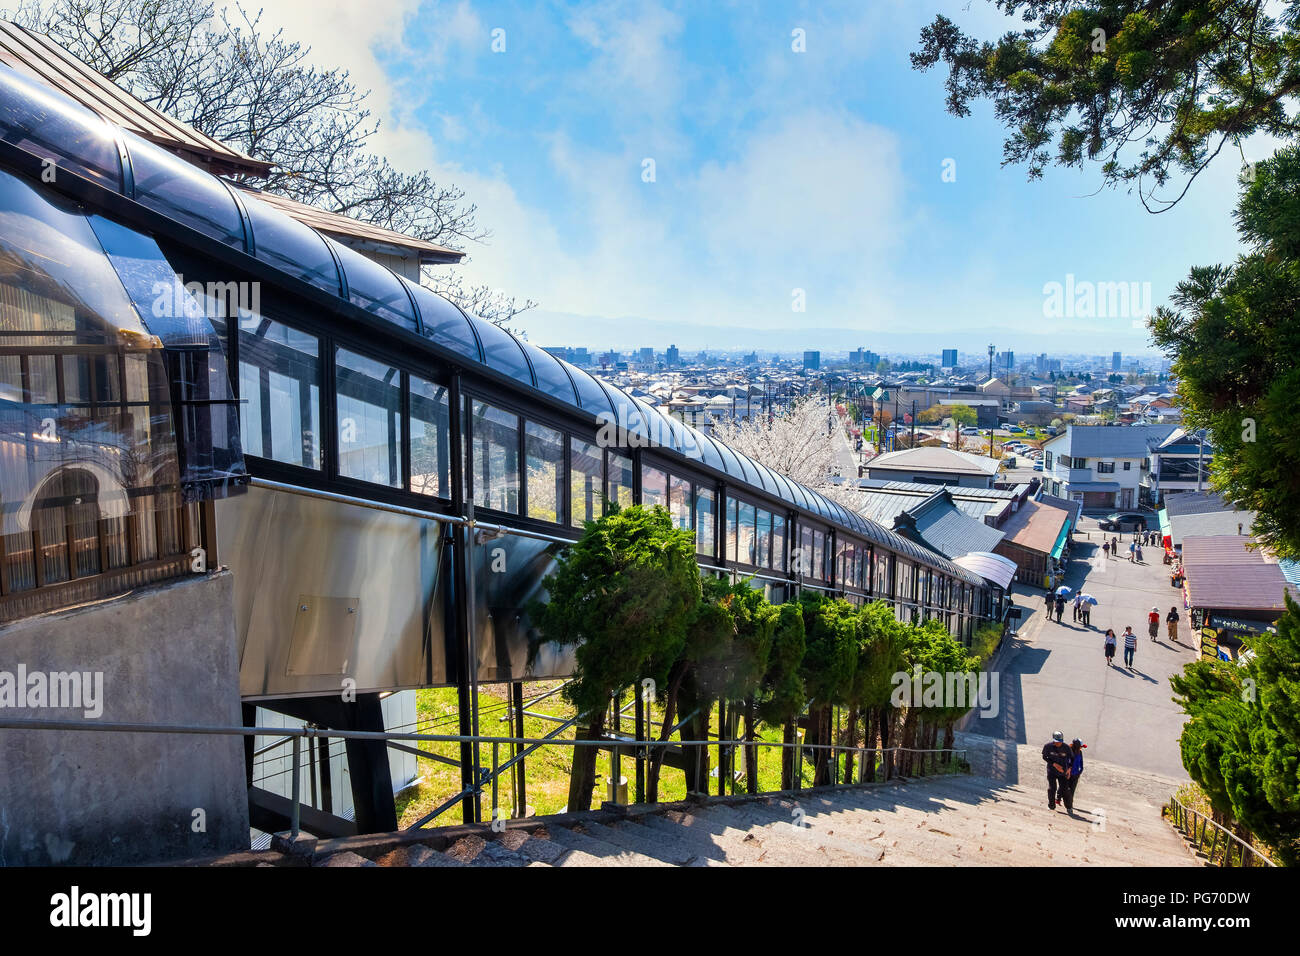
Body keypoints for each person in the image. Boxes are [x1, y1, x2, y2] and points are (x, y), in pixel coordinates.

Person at [1043, 731, 1073, 811]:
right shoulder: (1048, 746)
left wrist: (1069, 769)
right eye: (1056, 742)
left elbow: (1072, 759)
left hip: (1063, 772)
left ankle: (1069, 807)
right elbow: (1044, 757)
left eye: (1060, 742)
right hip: (1051, 771)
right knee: (1052, 789)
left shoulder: (1067, 748)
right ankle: (1051, 806)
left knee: (1065, 790)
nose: (1058, 743)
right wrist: (1054, 764)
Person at [1063, 739, 1086, 810]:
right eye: (1081, 746)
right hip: (1068, 774)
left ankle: (1070, 804)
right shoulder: (1069, 752)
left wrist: (1080, 771)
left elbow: (1081, 763)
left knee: (1072, 790)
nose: (1081, 748)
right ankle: (1064, 801)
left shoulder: (1080, 752)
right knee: (1066, 789)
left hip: (1076, 775)